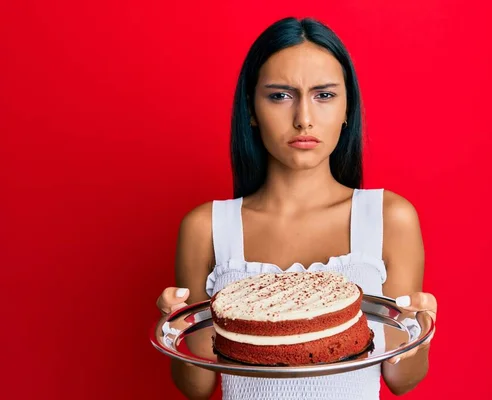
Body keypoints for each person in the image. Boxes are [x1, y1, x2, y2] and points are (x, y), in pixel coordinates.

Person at [156, 16, 437, 400]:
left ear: (347, 109)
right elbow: (199, 386)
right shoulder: (207, 227)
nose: (304, 119)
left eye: (324, 95)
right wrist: (175, 326)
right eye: (280, 96)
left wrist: (419, 330)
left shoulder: (388, 218)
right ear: (251, 109)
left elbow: (402, 380)